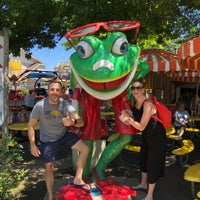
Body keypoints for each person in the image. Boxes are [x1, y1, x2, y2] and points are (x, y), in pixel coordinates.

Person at [28, 80, 89, 200]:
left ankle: (78, 178)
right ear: (48, 91)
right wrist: (33, 145)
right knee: (49, 167)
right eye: (52, 90)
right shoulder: (40, 106)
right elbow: (31, 125)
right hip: (48, 140)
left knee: (85, 149)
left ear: (61, 92)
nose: (54, 92)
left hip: (63, 135)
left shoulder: (65, 104)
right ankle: (50, 195)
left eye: (57, 90)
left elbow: (80, 122)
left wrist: (72, 122)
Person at [119, 79, 166, 200]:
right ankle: (144, 184)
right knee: (143, 160)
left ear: (143, 89)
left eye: (138, 88)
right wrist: (125, 115)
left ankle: (150, 195)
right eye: (133, 88)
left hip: (157, 138)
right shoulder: (136, 103)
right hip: (147, 136)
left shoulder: (148, 104)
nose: (136, 90)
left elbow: (140, 126)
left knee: (152, 164)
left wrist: (129, 120)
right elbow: (134, 117)